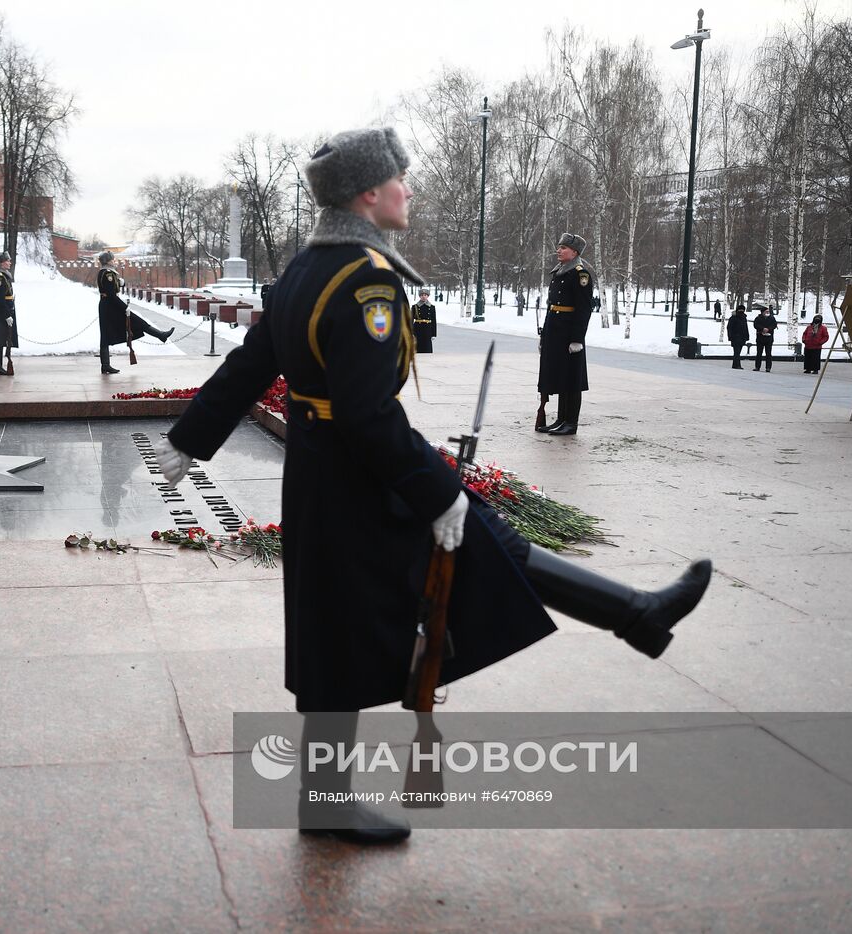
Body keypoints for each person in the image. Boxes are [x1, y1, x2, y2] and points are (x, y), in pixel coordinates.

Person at [151, 127, 711, 845]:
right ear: (367, 194)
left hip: (325, 475)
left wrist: (187, 439)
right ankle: (325, 801)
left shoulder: (303, 270)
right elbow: (364, 412)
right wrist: (436, 490)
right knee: (349, 628)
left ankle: (635, 613)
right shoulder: (366, 280)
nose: (409, 189)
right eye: (400, 179)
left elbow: (251, 364)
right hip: (362, 478)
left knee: (433, 573)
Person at [536, 232, 594, 435]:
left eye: (563, 248)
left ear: (575, 252)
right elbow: (552, 306)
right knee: (561, 376)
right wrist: (545, 336)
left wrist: (577, 339)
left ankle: (571, 422)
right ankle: (561, 419)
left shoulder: (580, 274)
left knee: (572, 379)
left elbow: (584, 309)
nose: (558, 251)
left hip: (569, 334)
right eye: (559, 247)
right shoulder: (560, 271)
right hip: (555, 331)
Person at [95, 251, 175, 374]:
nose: (114, 260)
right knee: (107, 334)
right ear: (107, 261)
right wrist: (124, 308)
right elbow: (111, 294)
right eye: (112, 259)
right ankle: (105, 365)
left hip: (110, 305)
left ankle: (161, 335)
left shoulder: (108, 273)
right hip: (110, 306)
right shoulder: (107, 274)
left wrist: (121, 283)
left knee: (135, 322)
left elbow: (111, 288)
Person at [0, 251, 17, 376]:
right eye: (7, 261)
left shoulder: (5, 276)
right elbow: (0, 299)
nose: (10, 262)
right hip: (2, 312)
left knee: (2, 340)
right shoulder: (0, 278)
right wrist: (7, 316)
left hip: (6, 310)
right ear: (2, 263)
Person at [752, 304, 778, 372]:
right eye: (766, 311)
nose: (767, 312)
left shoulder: (772, 318)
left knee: (768, 353)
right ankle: (757, 367)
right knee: (759, 353)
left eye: (768, 311)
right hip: (760, 337)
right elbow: (755, 325)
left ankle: (768, 367)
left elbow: (774, 325)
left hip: (769, 338)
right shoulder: (758, 318)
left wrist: (768, 329)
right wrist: (762, 329)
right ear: (762, 312)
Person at [411, 287, 437, 353]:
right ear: (419, 296)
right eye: (422, 295)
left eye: (425, 295)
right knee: (417, 348)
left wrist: (434, 334)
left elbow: (434, 321)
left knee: (427, 348)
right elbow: (410, 320)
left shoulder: (432, 307)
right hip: (417, 329)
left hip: (427, 329)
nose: (423, 297)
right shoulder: (415, 307)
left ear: (428, 296)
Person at [727, 303, 751, 369]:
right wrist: (730, 337)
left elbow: (745, 327)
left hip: (742, 337)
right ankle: (737, 365)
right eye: (740, 310)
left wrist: (747, 336)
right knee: (737, 352)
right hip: (735, 337)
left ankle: (735, 364)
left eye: (743, 310)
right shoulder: (733, 318)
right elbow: (729, 328)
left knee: (737, 352)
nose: (741, 312)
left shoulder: (744, 318)